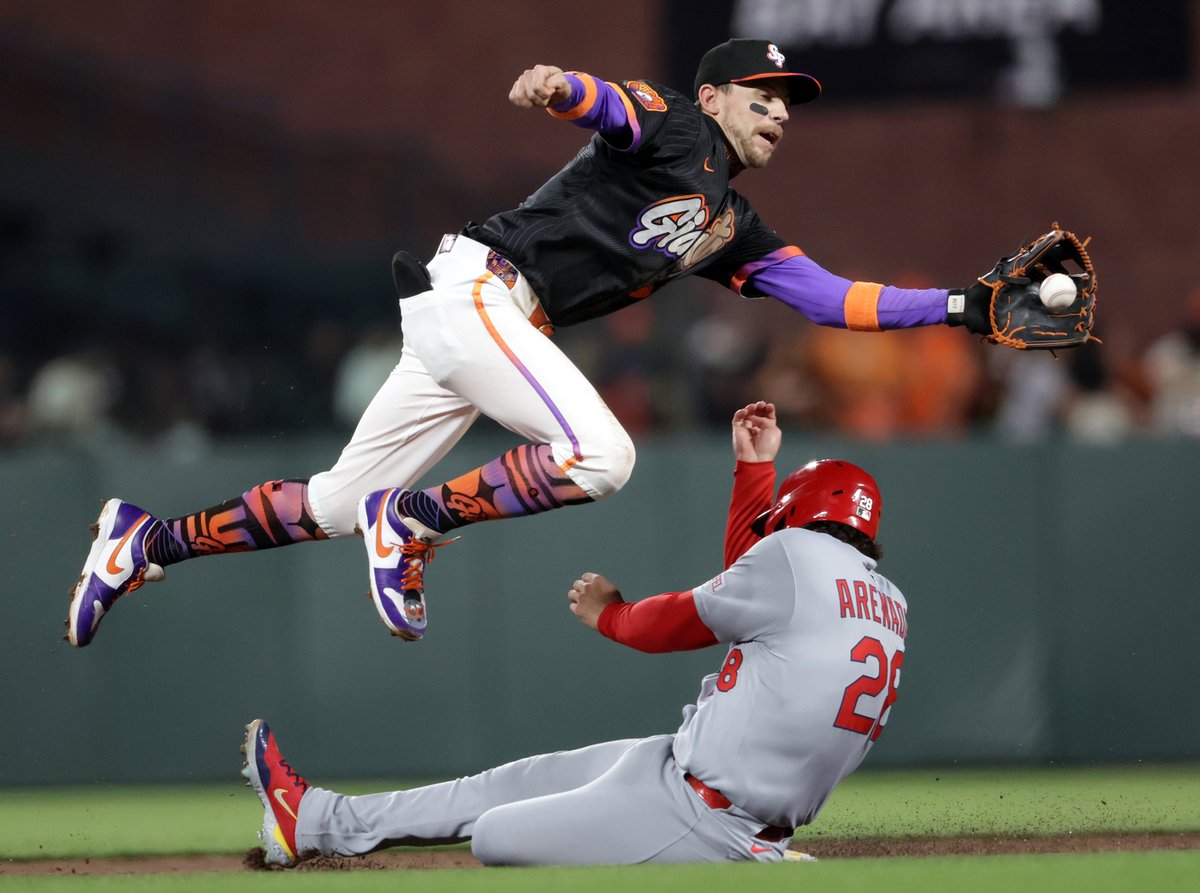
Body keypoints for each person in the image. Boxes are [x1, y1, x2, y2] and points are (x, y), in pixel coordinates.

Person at [68, 38, 966, 648]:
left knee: (338, 506)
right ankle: (413, 520)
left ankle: (145, 542)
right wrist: (561, 88)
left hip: (478, 321)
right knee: (603, 456)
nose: (779, 113)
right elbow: (612, 107)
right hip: (482, 291)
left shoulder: (732, 223)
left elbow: (838, 300)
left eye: (787, 105)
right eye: (762, 96)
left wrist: (963, 304)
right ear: (712, 97)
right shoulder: (681, 125)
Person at [240, 401, 908, 866]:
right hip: (684, 773)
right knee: (502, 784)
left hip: (710, 818)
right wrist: (754, 472)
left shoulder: (792, 557)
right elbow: (750, 579)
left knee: (496, 834)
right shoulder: (882, 599)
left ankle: (762, 863)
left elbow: (682, 620)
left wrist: (610, 613)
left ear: (792, 514)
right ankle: (315, 820)